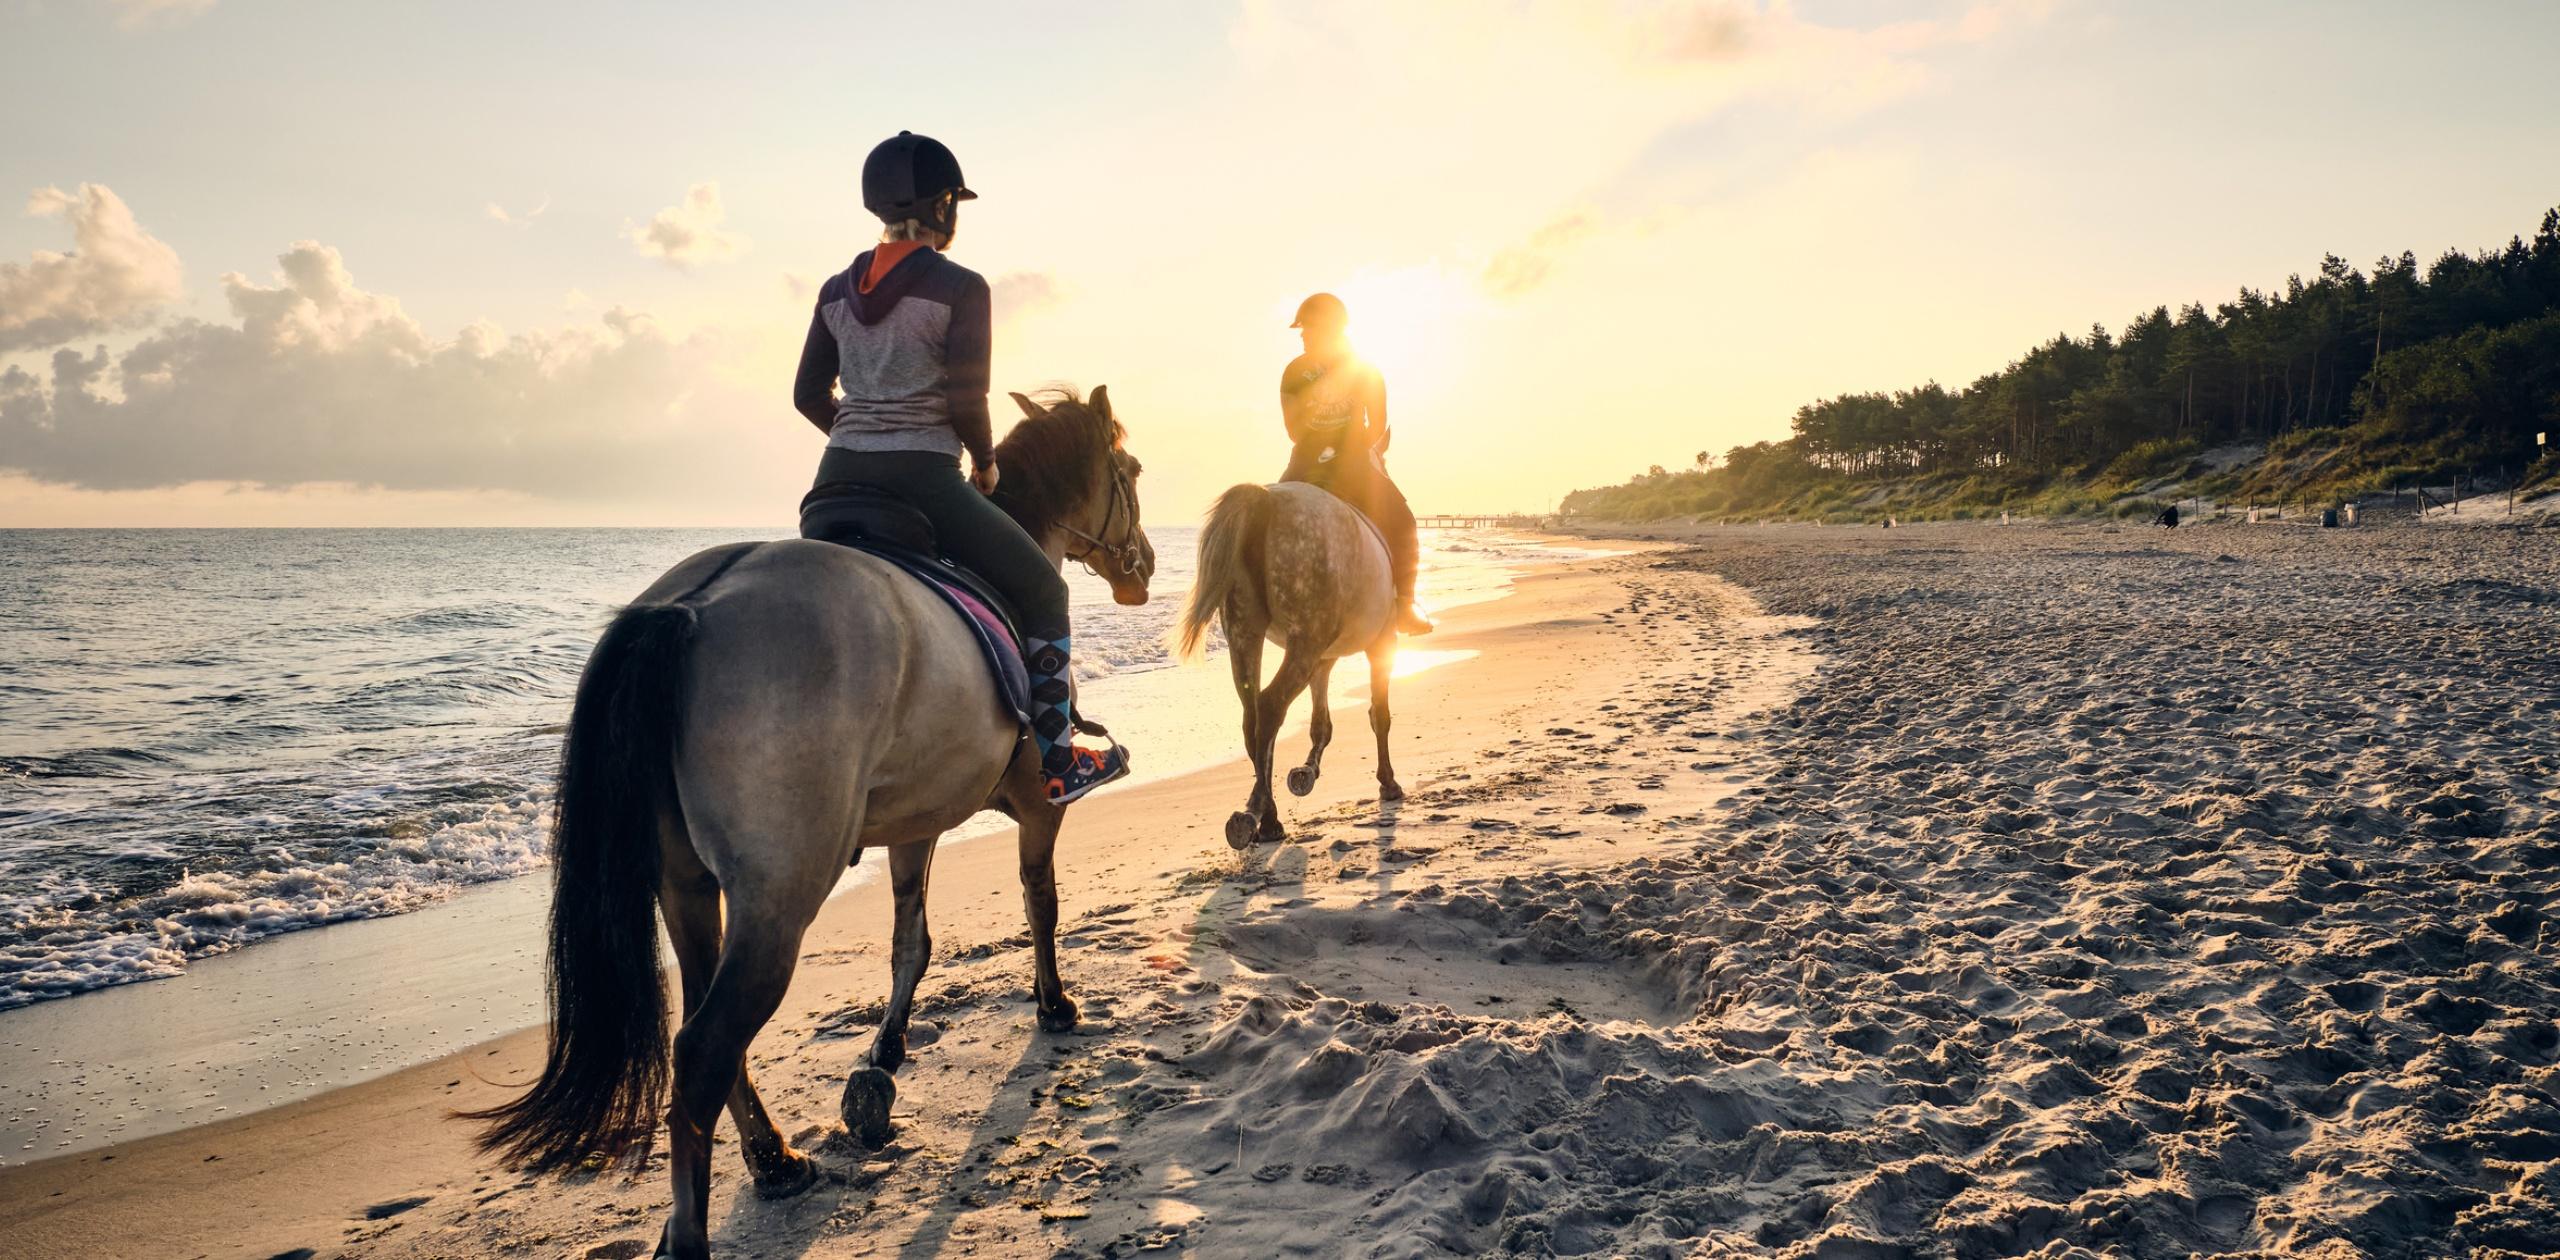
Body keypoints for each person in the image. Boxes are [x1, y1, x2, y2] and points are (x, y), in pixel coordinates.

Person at [791, 131, 1128, 804]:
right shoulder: (961, 287)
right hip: (925, 482)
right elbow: (967, 398)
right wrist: (984, 464)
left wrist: (858, 437)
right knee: (1044, 593)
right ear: (943, 208)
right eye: (955, 205)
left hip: (829, 489)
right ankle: (1060, 761)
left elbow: (807, 395)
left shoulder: (834, 291)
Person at [1276, 293, 1433, 635]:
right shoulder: (1361, 368)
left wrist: (1325, 444)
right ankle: (1405, 604)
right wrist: (1343, 447)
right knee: (1403, 523)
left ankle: (1404, 602)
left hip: (1309, 461)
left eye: (1308, 328)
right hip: (1347, 460)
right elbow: (1377, 424)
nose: (1302, 335)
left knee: (1271, 512)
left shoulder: (1298, 371)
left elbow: (1293, 427)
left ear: (1330, 328)